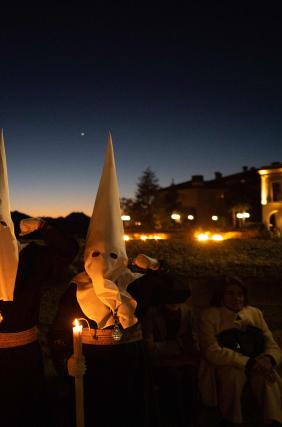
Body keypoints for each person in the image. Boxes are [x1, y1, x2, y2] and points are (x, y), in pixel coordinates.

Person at [0, 132, 79, 427]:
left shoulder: (32, 260)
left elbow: (69, 250)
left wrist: (45, 228)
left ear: (12, 231)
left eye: (2, 225)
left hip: (24, 357)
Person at [49, 133, 176, 427]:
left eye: (111, 255)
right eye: (95, 254)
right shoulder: (77, 288)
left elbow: (178, 292)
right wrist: (66, 359)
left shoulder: (137, 283)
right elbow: (58, 331)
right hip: (90, 363)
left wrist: (157, 267)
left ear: (122, 255)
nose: (103, 263)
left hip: (130, 362)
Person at [198, 276, 282, 426]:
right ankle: (232, 420)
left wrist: (268, 359)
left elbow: (271, 344)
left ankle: (272, 421)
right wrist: (247, 362)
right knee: (233, 377)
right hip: (226, 363)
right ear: (221, 295)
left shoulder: (254, 313)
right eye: (230, 293)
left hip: (257, 361)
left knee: (265, 378)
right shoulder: (209, 316)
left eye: (240, 294)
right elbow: (211, 350)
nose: (236, 298)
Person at [143, 294, 199, 427]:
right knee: (172, 378)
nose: (174, 303)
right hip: (160, 362)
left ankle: (190, 421)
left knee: (190, 376)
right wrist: (176, 345)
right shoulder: (152, 313)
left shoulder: (186, 311)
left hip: (183, 359)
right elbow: (149, 347)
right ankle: (175, 421)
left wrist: (186, 345)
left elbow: (193, 340)